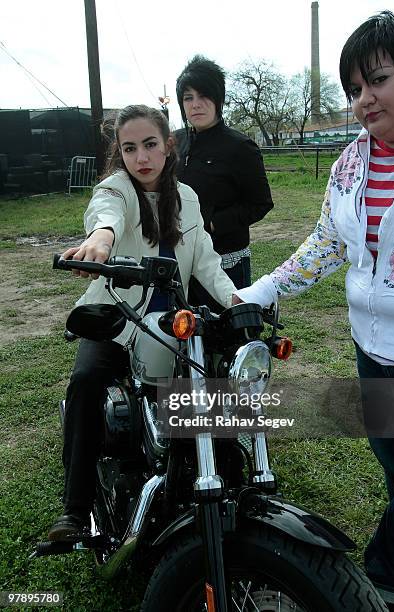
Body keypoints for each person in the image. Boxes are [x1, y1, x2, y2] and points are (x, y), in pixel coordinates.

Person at [233, 11, 394, 609]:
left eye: (379, 80)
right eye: (354, 90)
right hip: (374, 350)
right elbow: (328, 242)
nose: (364, 100)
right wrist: (262, 291)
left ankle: (383, 578)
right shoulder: (352, 163)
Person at [48, 104, 236, 541]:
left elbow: (206, 262)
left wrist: (237, 298)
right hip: (118, 319)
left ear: (169, 146)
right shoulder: (116, 189)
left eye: (150, 144)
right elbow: (105, 213)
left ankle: (223, 475)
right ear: (120, 152)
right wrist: (101, 237)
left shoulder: (187, 197)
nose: (141, 157)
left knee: (215, 386)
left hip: (175, 323)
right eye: (129, 148)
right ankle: (75, 510)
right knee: (86, 382)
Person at [175, 55, 273, 311]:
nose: (196, 105)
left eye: (204, 95)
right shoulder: (174, 142)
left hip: (226, 260)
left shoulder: (240, 147)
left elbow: (261, 203)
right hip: (180, 260)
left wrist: (213, 223)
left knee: (228, 337)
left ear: (219, 98)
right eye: (188, 97)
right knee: (181, 337)